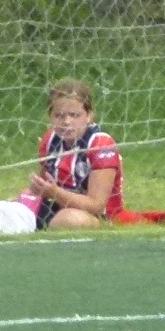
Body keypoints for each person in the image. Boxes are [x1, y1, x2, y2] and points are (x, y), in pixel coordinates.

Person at [24, 79, 125, 229]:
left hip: (95, 215)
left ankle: (43, 226)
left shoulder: (101, 144)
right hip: (56, 205)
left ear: (89, 115)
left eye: (74, 115)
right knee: (19, 202)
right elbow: (45, 186)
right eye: (59, 115)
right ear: (50, 117)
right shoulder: (49, 140)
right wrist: (38, 188)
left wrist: (55, 193)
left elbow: (96, 205)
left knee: (69, 219)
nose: (67, 122)